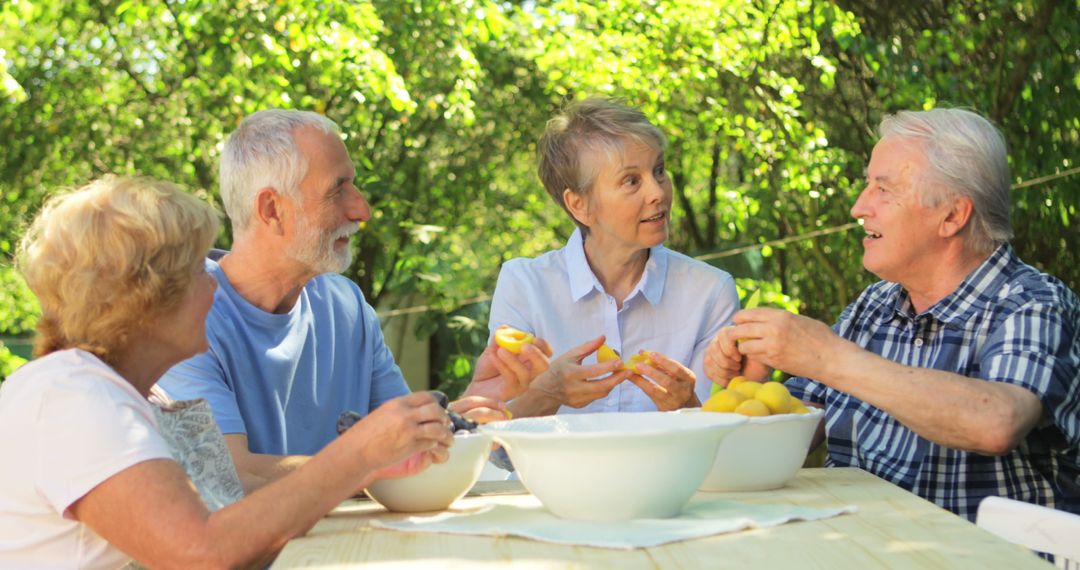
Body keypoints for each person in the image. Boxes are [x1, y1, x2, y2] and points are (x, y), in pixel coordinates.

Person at [0, 177, 454, 568]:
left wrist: (374, 460)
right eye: (198, 268)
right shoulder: (74, 397)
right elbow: (204, 554)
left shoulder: (140, 398)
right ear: (147, 299)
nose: (215, 282)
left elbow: (239, 511)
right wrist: (358, 454)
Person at [705, 107, 1080, 520]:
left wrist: (829, 357)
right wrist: (748, 389)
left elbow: (996, 422)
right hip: (860, 551)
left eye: (883, 189)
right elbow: (777, 449)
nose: (859, 207)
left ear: (952, 215)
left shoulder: (1033, 303)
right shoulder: (872, 308)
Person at [157, 110, 514, 489]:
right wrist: (366, 462)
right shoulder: (185, 314)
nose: (362, 210)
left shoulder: (347, 305)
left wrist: (462, 412)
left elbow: (406, 453)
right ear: (271, 209)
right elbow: (229, 476)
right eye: (336, 190)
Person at [487, 97, 740, 418]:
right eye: (631, 180)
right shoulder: (524, 285)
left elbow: (721, 444)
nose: (659, 193)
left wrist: (686, 407)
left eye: (659, 171)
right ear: (579, 205)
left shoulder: (711, 292)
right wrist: (547, 394)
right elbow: (495, 445)